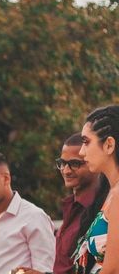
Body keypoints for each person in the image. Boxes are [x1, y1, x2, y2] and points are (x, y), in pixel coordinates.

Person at [19, 133, 101, 274]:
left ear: (93, 162)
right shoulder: (70, 206)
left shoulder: (102, 211)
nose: (66, 170)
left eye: (75, 164)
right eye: (62, 163)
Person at [73, 105, 119, 273]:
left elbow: (113, 269)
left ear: (109, 145)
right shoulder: (110, 192)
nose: (81, 151)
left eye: (86, 142)